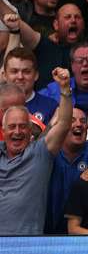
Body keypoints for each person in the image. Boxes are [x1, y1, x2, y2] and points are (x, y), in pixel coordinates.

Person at [0, 67, 73, 235]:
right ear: (3, 131)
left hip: (27, 245)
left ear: (30, 129)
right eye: (11, 127)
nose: (17, 132)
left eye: (22, 127)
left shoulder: (40, 154)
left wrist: (65, 90)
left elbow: (63, 124)